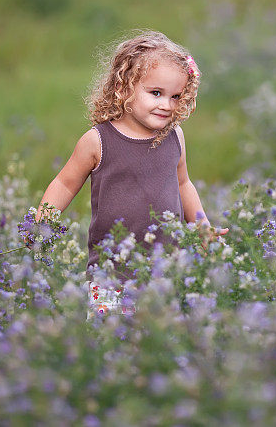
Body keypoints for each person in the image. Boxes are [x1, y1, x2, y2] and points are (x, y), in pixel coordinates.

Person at [31, 30, 227, 317]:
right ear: (124, 87)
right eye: (156, 93)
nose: (167, 105)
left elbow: (183, 184)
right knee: (108, 340)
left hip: (165, 269)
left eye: (176, 96)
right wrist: (42, 223)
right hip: (111, 271)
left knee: (157, 340)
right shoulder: (98, 140)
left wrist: (202, 226)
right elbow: (64, 183)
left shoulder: (175, 137)